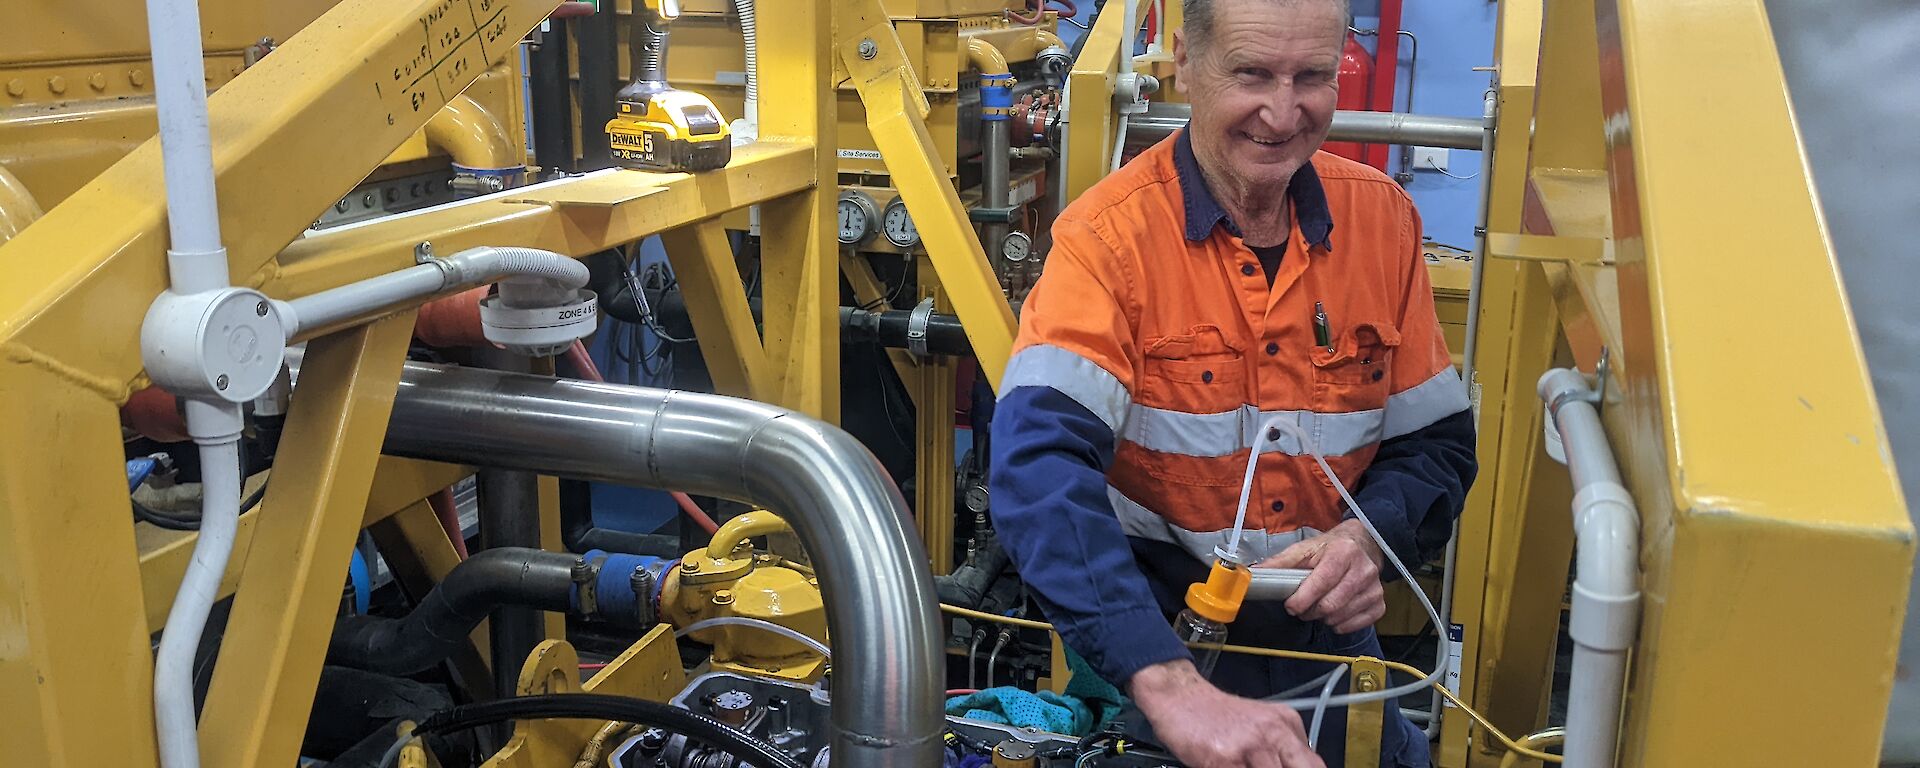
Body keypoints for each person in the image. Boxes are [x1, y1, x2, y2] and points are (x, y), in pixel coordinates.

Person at [987, 0, 1478, 764]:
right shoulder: (1107, 241)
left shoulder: (1385, 224)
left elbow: (1437, 444)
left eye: (1312, 76)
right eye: (1252, 73)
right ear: (1185, 61)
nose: (1282, 114)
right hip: (1155, 641)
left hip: (1330, 646)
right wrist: (1171, 687)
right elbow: (1036, 470)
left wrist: (1366, 540)